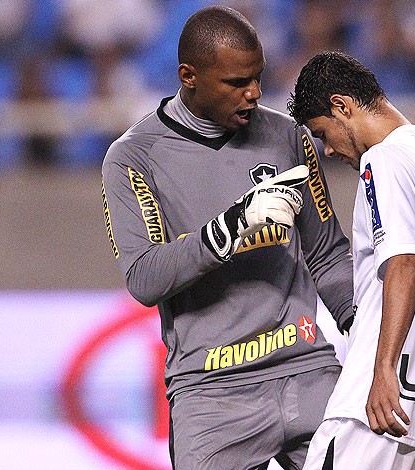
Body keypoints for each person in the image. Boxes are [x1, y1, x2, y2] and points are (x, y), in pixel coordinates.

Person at [101, 7, 354, 469]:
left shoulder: (287, 136)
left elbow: (326, 253)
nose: (254, 93)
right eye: (236, 83)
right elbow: (144, 276)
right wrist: (230, 227)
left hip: (306, 368)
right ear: (188, 76)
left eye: (257, 77)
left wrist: (364, 323)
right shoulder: (132, 158)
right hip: (210, 393)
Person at [287, 50, 415, 470]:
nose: (326, 150)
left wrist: (384, 370)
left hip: (381, 409)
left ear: (342, 107)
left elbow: (404, 262)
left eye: (323, 133)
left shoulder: (382, 159)